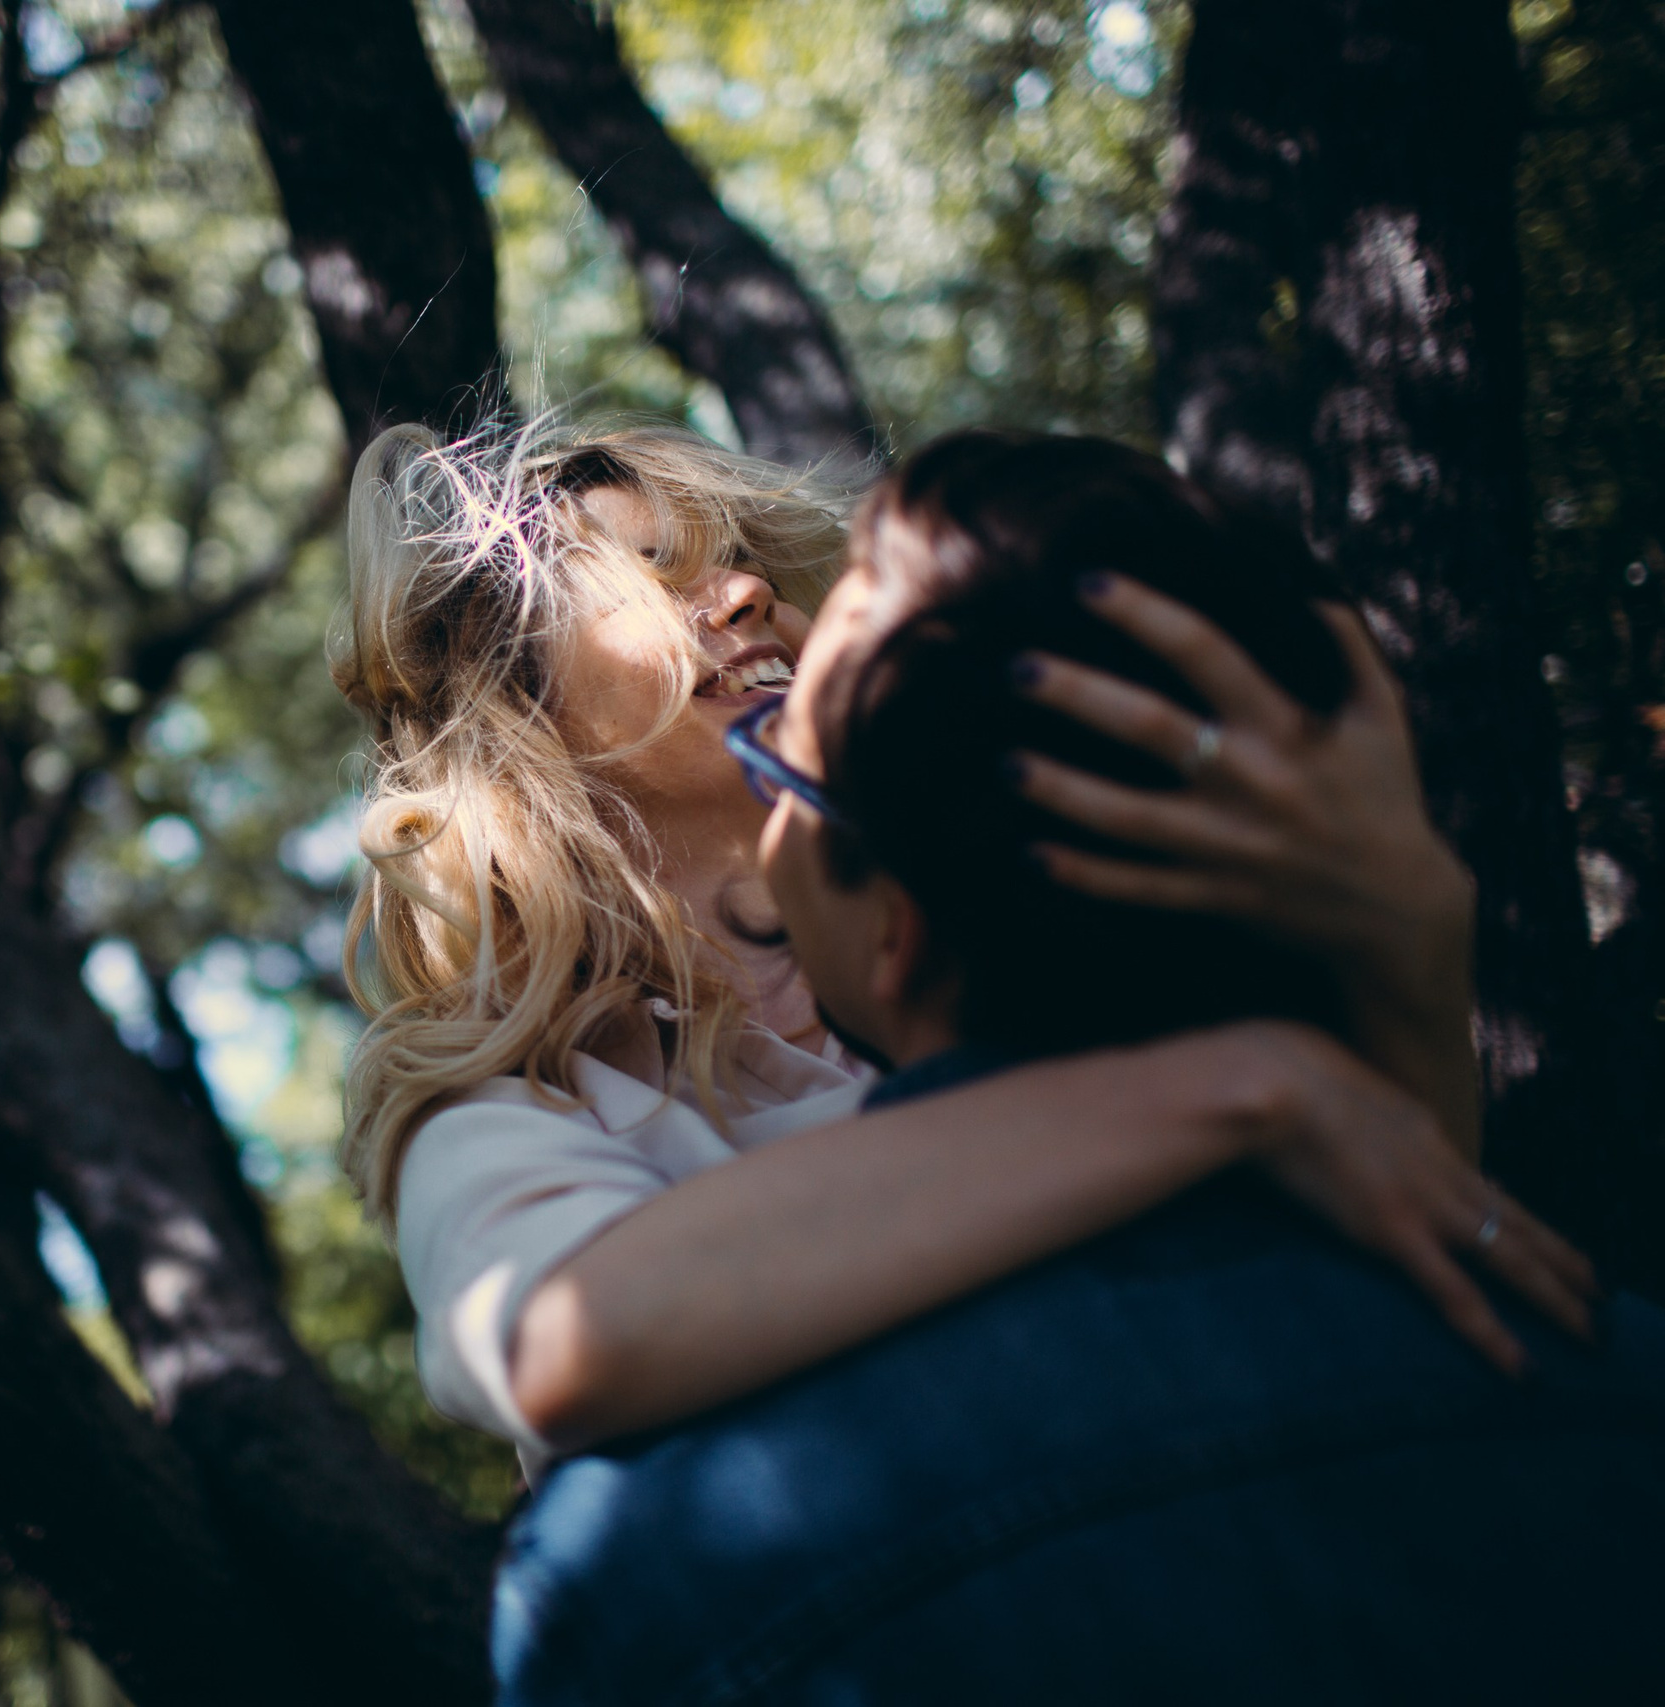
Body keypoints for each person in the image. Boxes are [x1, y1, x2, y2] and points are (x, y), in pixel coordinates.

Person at [488, 430, 1665, 1704]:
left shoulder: (648, 1569)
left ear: (896, 924)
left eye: (789, 782)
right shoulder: (1605, 1370)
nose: (745, 594)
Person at [332, 418, 1586, 1491]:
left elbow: (1390, 1251)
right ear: (520, 717)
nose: (749, 594)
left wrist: (1412, 945)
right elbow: (558, 1339)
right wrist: (1226, 1091)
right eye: (657, 575)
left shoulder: (1007, 947)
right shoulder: (524, 1108)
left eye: (749, 563)